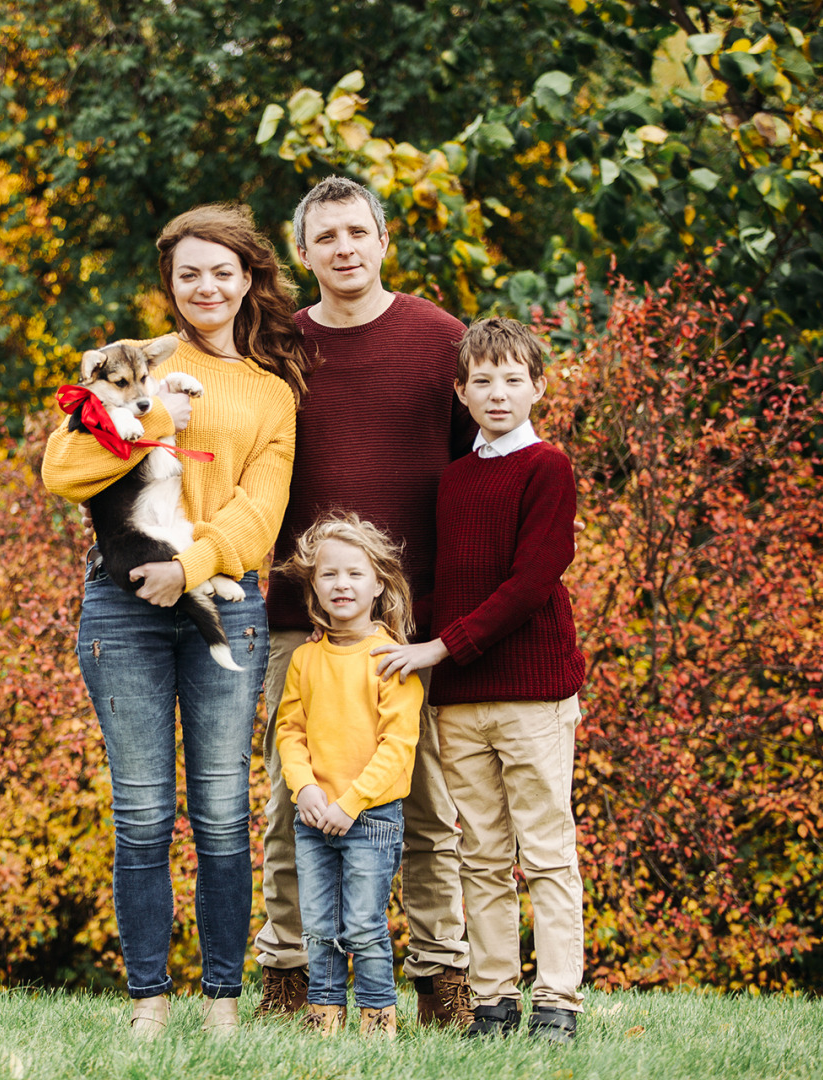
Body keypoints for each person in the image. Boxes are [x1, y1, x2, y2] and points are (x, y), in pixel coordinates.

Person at [41, 203, 308, 1038]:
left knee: (225, 812)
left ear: (247, 280)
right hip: (120, 609)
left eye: (222, 271)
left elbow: (262, 514)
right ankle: (149, 1005)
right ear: (171, 283)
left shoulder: (271, 394)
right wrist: (155, 417)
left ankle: (223, 1003)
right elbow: (62, 469)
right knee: (145, 812)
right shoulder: (128, 371)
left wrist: (186, 569)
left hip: (220, 596)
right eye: (188, 272)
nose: (206, 286)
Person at [256, 176, 478, 1027]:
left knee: (421, 805)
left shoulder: (439, 341)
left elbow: (473, 469)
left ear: (384, 240)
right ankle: (290, 978)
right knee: (291, 803)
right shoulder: (277, 344)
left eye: (359, 232)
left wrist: (448, 617)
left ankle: (442, 981)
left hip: (404, 631)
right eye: (327, 237)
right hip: (297, 621)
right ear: (304, 253)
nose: (344, 249)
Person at [374, 317, 587, 1044]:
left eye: (513, 379)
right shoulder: (456, 478)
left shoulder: (547, 468)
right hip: (461, 699)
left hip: (533, 692)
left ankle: (558, 1000)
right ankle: (493, 1001)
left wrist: (442, 647)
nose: (499, 393)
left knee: (546, 850)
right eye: (483, 381)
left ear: (538, 386)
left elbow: (532, 581)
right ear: (460, 391)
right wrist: (388, 634)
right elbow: (447, 585)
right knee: (482, 853)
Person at [272, 513, 424, 1040]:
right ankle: (324, 1019)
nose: (342, 584)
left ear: (378, 583)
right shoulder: (306, 659)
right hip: (314, 817)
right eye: (330, 574)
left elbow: (397, 748)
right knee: (317, 926)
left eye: (355, 574)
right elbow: (289, 732)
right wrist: (306, 788)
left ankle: (377, 1021)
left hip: (370, 819)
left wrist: (351, 802)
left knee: (363, 926)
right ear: (314, 585)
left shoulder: (390, 659)